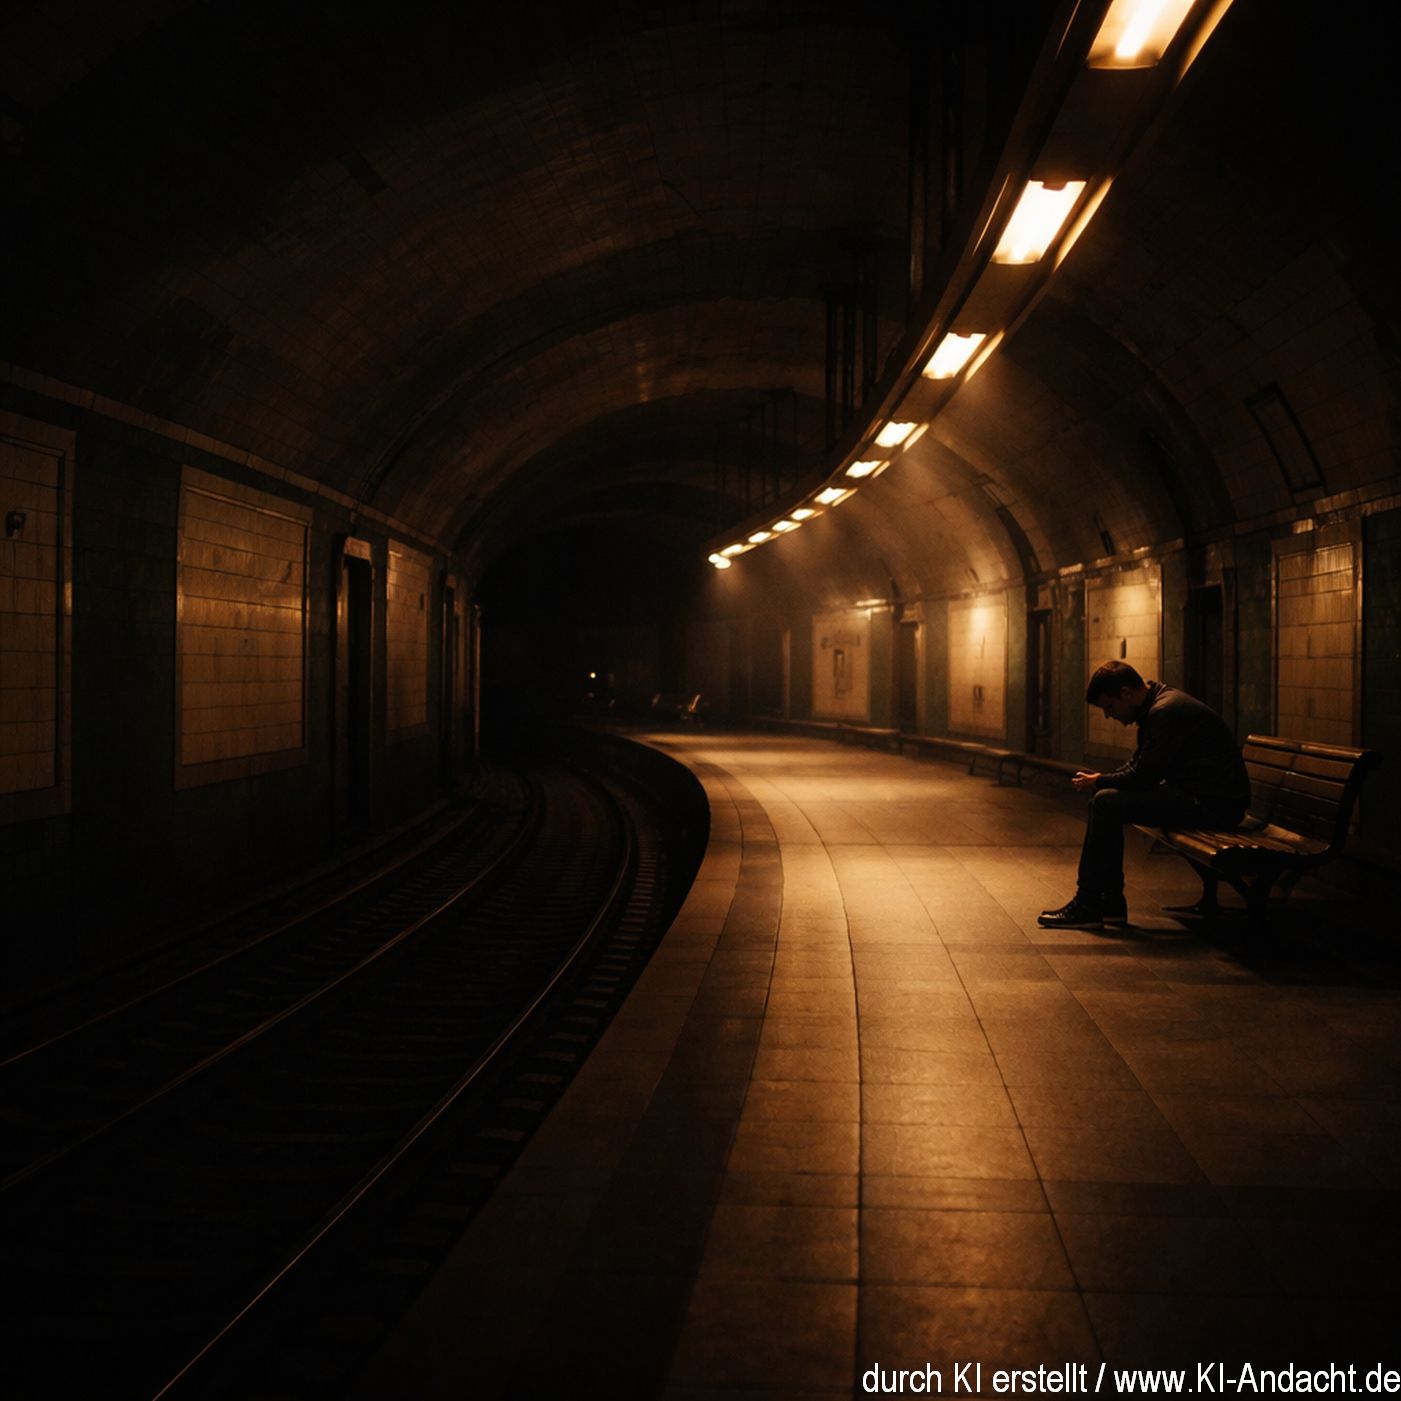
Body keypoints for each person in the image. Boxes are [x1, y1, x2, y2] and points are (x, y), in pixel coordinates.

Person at [1038, 661, 1250, 930]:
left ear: (1126, 693)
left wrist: (1100, 781)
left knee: (1105, 803)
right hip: (1204, 797)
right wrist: (1101, 781)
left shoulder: (1164, 712)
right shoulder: (1158, 706)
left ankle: (1092, 903)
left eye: (1110, 707)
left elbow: (1142, 776)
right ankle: (1106, 902)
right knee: (1105, 800)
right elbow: (1140, 765)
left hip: (1213, 805)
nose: (1109, 716)